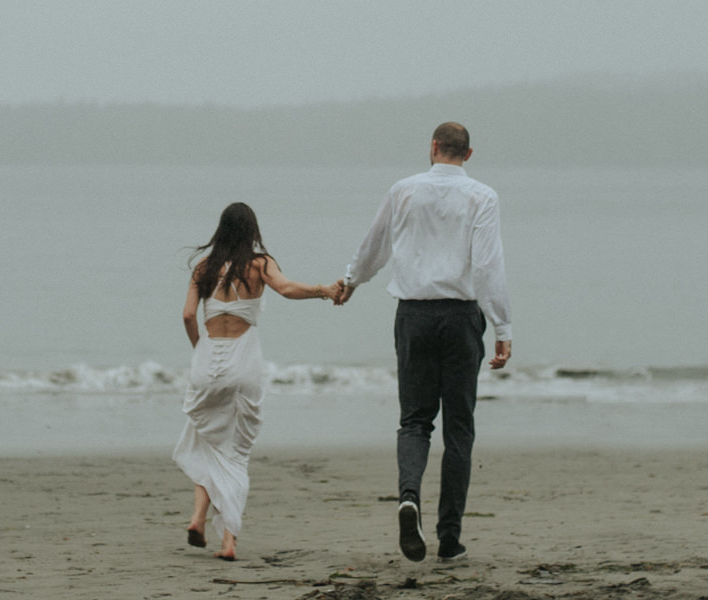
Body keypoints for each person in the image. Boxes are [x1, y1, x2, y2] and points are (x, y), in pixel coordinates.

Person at [333, 121, 512, 562]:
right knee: (459, 430)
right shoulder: (483, 197)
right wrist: (503, 327)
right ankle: (449, 539)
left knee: (414, 421)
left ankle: (408, 497)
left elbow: (375, 244)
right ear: (468, 154)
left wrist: (351, 280)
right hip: (460, 317)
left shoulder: (403, 190)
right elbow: (488, 266)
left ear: (433, 148)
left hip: (413, 314)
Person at [174, 201, 336, 560]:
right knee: (236, 453)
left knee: (206, 441)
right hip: (243, 362)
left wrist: (200, 349)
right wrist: (323, 290)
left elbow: (187, 315)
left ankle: (198, 517)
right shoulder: (260, 264)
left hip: (208, 362)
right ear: (252, 231)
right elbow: (288, 288)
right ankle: (228, 540)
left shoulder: (204, 267)